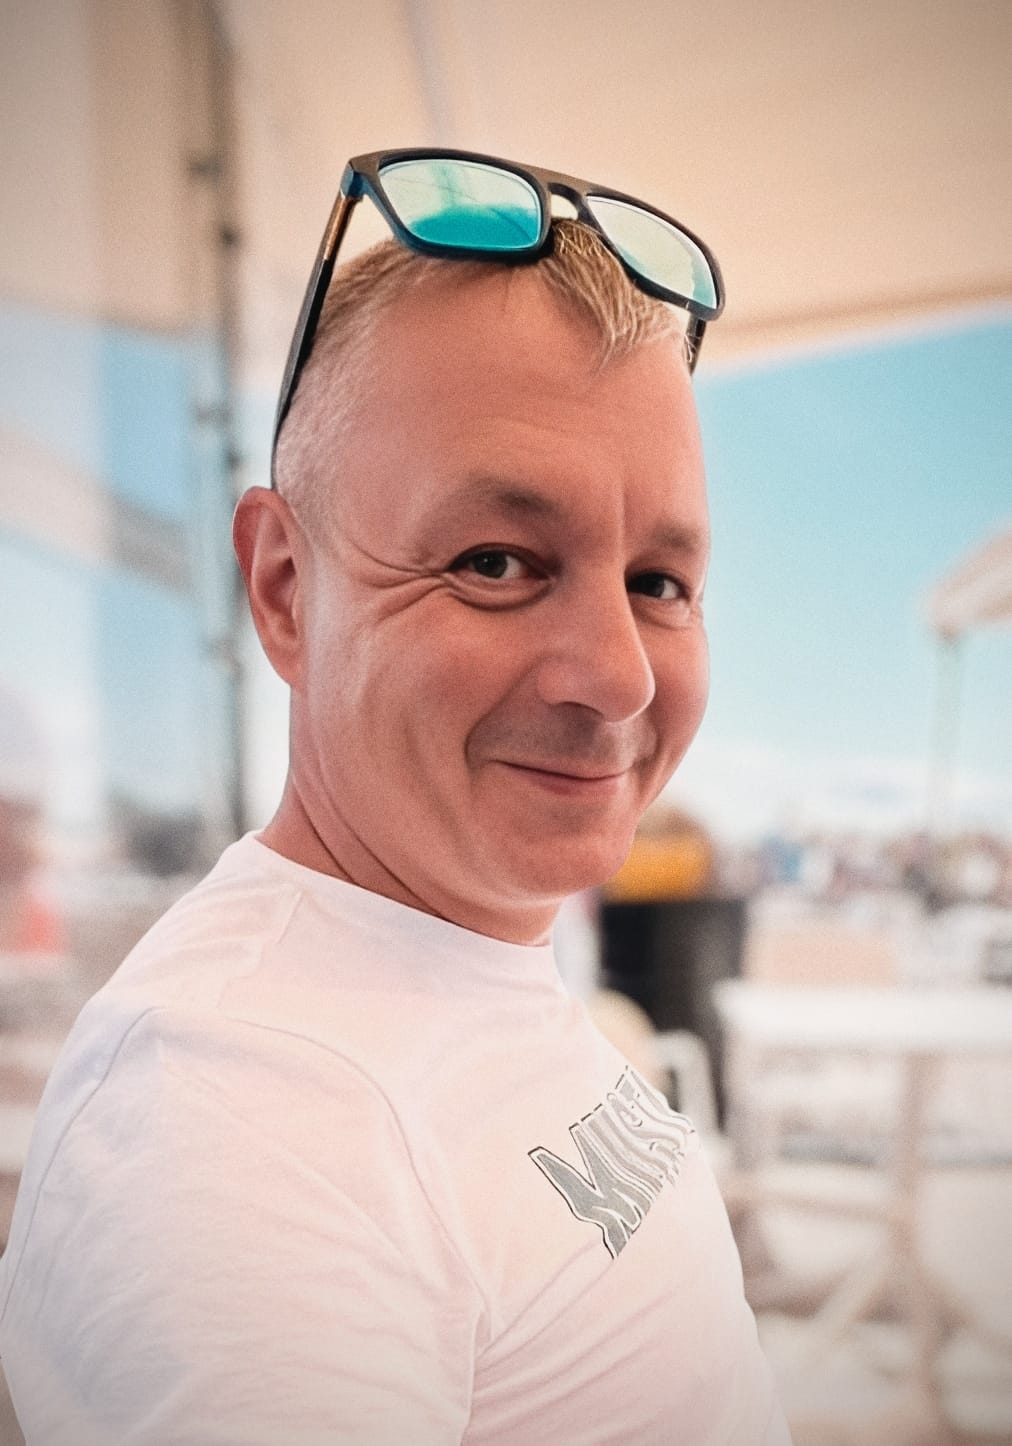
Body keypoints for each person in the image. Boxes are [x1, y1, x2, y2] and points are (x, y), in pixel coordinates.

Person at [0, 149, 790, 1444]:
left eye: (659, 583)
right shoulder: (239, 1116)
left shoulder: (447, 953)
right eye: (497, 562)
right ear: (283, 587)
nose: (621, 676)